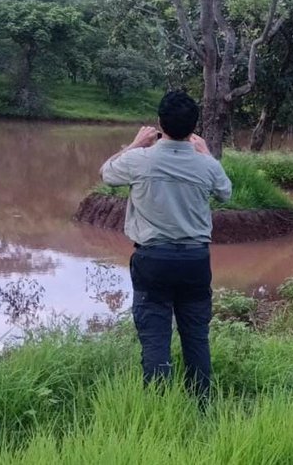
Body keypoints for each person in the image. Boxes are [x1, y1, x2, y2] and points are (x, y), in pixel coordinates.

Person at [99, 91, 232, 398]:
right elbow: (225, 192)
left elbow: (106, 174)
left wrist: (135, 144)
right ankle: (202, 403)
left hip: (152, 260)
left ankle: (160, 405)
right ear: (194, 127)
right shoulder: (206, 165)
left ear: (159, 123)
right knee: (196, 336)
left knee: (155, 337)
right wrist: (208, 153)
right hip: (195, 261)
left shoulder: (137, 160)